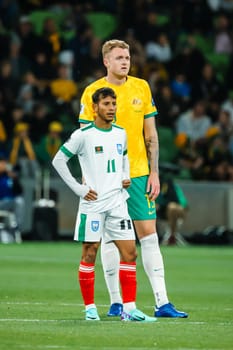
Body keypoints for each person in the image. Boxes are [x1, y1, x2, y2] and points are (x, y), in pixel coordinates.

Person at [78, 39, 188, 318]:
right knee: (110, 238)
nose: (124, 61)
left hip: (138, 173)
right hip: (105, 179)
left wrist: (155, 172)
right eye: (118, 57)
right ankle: (116, 303)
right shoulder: (92, 92)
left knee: (149, 237)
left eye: (127, 57)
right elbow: (85, 140)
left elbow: (150, 135)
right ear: (106, 61)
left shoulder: (142, 87)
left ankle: (162, 302)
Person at [52, 87, 157, 322]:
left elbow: (123, 157)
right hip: (93, 205)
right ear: (94, 107)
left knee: (130, 254)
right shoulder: (83, 135)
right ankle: (90, 308)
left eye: (114, 104)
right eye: (106, 104)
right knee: (90, 253)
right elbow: (58, 160)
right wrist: (79, 189)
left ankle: (129, 310)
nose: (111, 108)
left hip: (118, 202)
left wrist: (124, 175)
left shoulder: (120, 133)